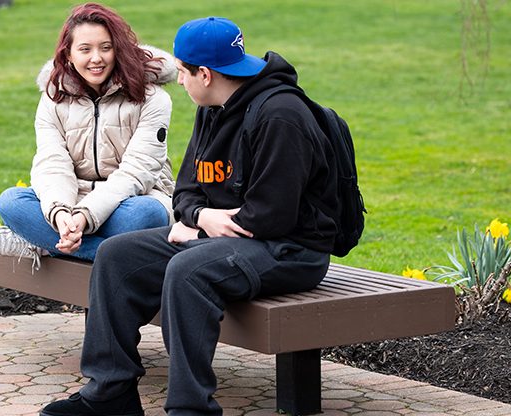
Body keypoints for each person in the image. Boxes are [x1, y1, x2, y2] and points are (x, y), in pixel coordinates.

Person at [40, 16, 339, 416]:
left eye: (182, 72)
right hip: (228, 237)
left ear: (205, 73)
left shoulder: (281, 117)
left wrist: (199, 234)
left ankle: (190, 409)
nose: (178, 80)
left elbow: (273, 217)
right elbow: (185, 192)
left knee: (188, 270)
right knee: (117, 257)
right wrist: (201, 217)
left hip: (290, 249)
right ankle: (110, 394)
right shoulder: (213, 107)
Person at [0, 2, 176, 266]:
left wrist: (84, 217)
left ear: (118, 51)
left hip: (133, 199)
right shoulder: (53, 97)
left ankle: (44, 244)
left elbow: (137, 172)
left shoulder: (152, 98)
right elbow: (52, 163)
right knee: (12, 201)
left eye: (106, 48)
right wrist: (60, 214)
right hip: (73, 198)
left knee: (148, 215)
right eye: (85, 49)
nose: (97, 58)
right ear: (69, 54)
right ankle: (111, 253)